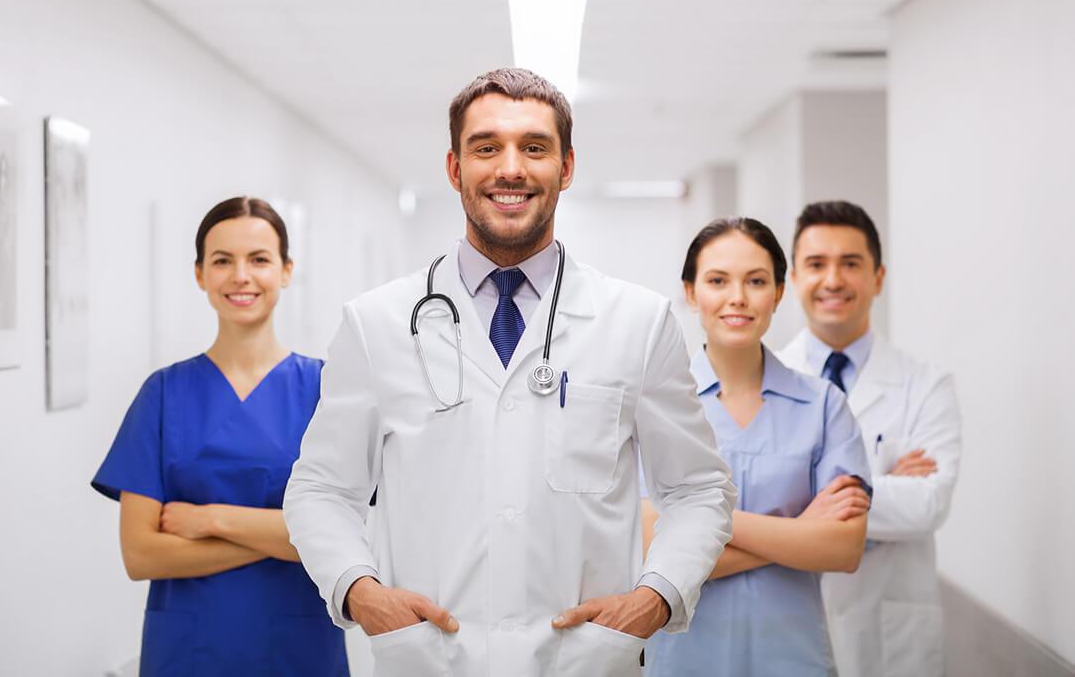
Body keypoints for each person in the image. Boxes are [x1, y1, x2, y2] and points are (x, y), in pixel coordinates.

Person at [283, 68, 736, 677]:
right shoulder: (376, 323)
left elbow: (698, 490)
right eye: (487, 147)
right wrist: (361, 591)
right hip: (431, 657)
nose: (511, 168)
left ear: (567, 168)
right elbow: (320, 491)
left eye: (535, 147)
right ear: (454, 169)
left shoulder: (637, 321)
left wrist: (654, 599)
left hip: (584, 662)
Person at [91, 197, 350, 677]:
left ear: (287, 271)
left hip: (299, 646)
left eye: (259, 260)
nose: (240, 276)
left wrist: (212, 518)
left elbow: (348, 538)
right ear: (200, 275)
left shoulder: (326, 391)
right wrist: (287, 536)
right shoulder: (164, 394)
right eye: (222, 261)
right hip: (189, 651)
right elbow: (141, 554)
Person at [642, 217, 872, 676]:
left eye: (757, 281)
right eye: (717, 281)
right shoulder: (655, 403)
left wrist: (694, 525)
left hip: (793, 658)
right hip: (686, 662)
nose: (738, 298)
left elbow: (844, 548)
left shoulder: (823, 405)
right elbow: (650, 548)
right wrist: (801, 532)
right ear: (690, 293)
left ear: (779, 292)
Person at [779, 200, 962, 677]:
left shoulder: (926, 384)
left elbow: (929, 505)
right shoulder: (763, 379)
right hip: (788, 621)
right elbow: (743, 502)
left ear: (878, 277)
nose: (833, 280)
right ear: (794, 277)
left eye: (851, 264)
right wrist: (879, 485)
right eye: (816, 264)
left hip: (890, 632)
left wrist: (805, 496)